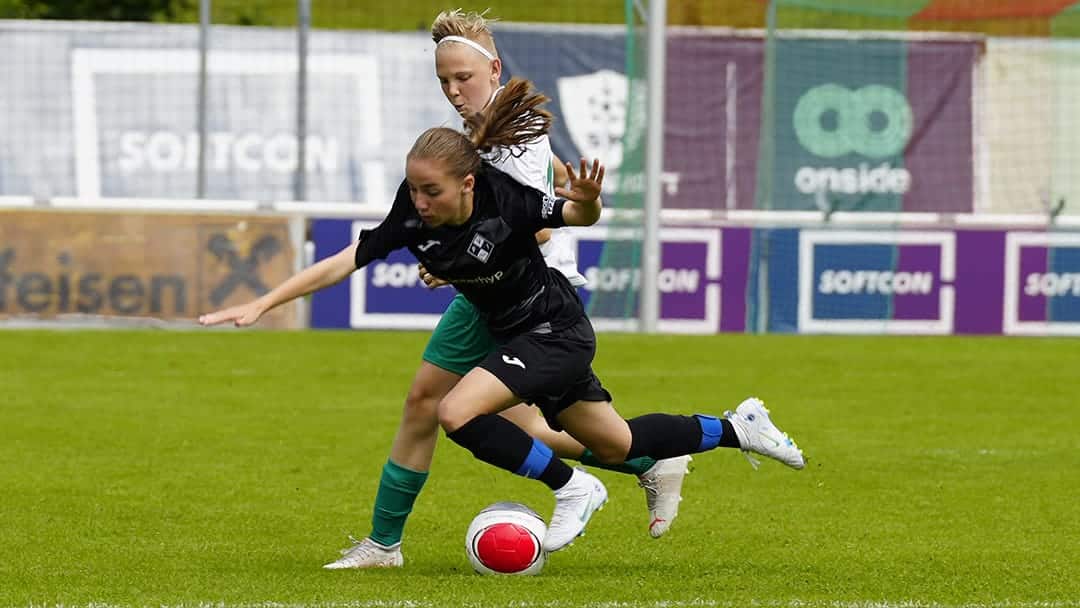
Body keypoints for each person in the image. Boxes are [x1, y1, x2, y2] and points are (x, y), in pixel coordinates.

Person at [198, 77, 805, 556]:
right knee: (618, 442)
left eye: (431, 192)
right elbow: (344, 261)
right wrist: (264, 301)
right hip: (522, 335)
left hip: (554, 331)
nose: (418, 203)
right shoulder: (412, 214)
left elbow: (573, 216)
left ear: (468, 183)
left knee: (454, 411)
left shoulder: (507, 201)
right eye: (413, 189)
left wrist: (589, 202)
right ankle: (738, 427)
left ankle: (573, 487)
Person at [328, 9, 690, 570]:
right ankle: (647, 461)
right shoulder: (500, 128)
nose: (453, 91)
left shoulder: (513, 136)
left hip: (528, 291)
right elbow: (543, 183)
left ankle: (387, 544)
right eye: (444, 81)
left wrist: (453, 260)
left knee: (457, 411)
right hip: (493, 289)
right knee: (495, 418)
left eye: (463, 78)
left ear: (494, 70)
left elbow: (534, 227)